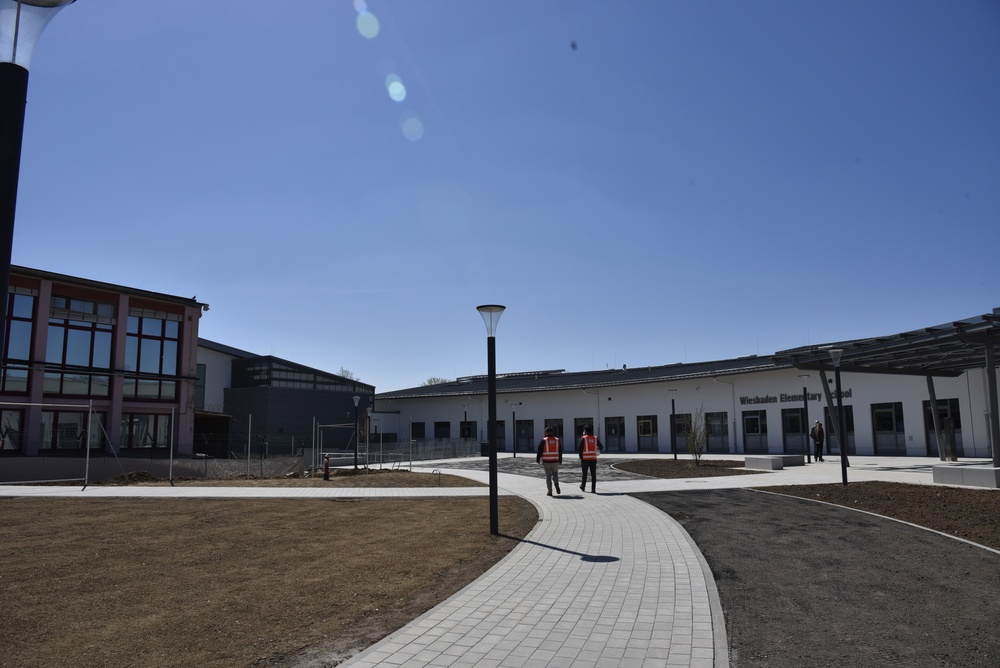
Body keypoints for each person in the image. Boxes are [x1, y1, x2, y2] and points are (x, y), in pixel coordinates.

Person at [536, 427, 563, 496]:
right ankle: (556, 484)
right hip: (555, 461)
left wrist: (538, 459)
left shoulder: (544, 440)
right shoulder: (557, 440)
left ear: (546, 433)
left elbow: (540, 450)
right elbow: (560, 451)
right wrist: (560, 460)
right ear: (552, 432)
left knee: (548, 476)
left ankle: (550, 491)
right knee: (555, 474)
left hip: (546, 461)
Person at [578, 425, 603, 493]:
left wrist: (581, 457)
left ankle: (583, 486)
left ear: (585, 431)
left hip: (585, 459)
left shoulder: (584, 438)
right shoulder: (595, 438)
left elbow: (580, 448)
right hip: (593, 459)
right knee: (593, 474)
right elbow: (601, 446)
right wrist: (596, 449)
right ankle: (593, 489)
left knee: (585, 474)